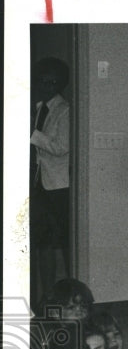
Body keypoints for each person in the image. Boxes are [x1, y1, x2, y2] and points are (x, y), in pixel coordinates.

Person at [30, 57, 72, 311]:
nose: (47, 85)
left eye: (53, 81)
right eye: (43, 80)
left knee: (64, 241)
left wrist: (32, 135)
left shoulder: (64, 110)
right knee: (43, 241)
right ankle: (46, 296)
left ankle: (67, 294)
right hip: (41, 184)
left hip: (59, 186)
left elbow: (61, 147)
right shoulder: (40, 107)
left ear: (61, 84)